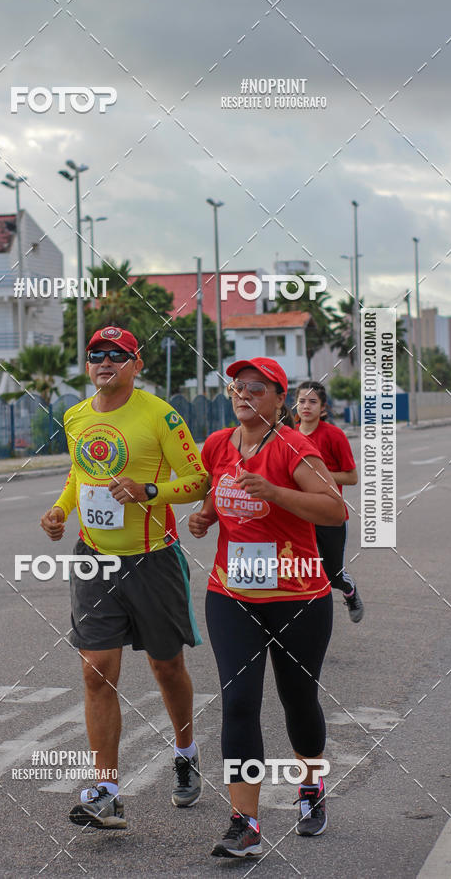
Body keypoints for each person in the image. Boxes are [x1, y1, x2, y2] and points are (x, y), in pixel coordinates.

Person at [40, 326, 207, 831]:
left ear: (137, 363)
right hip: (94, 560)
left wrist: (149, 491)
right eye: (95, 354)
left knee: (167, 669)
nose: (104, 361)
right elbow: (78, 473)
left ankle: (186, 751)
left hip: (152, 559)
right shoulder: (76, 415)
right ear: (88, 365)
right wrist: (60, 510)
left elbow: (198, 479)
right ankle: (107, 790)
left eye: (116, 354)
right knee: (96, 672)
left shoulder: (161, 415)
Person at [188, 357, 346, 858]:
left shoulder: (293, 446)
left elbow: (335, 507)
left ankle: (311, 784)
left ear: (280, 399)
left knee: (298, 702)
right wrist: (205, 517)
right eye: (238, 387)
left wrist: (277, 491)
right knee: (238, 703)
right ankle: (245, 823)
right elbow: (218, 495)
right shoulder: (217, 444)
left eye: (257, 389)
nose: (244, 395)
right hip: (232, 594)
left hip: (299, 597)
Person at [295, 380, 363, 622]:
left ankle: (349, 590)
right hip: (299, 515)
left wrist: (318, 474)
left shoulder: (334, 435)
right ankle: (306, 618)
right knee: (302, 571)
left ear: (323, 408)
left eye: (313, 402)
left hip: (330, 516)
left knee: (333, 574)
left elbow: (352, 477)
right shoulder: (287, 435)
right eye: (302, 401)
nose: (306, 406)